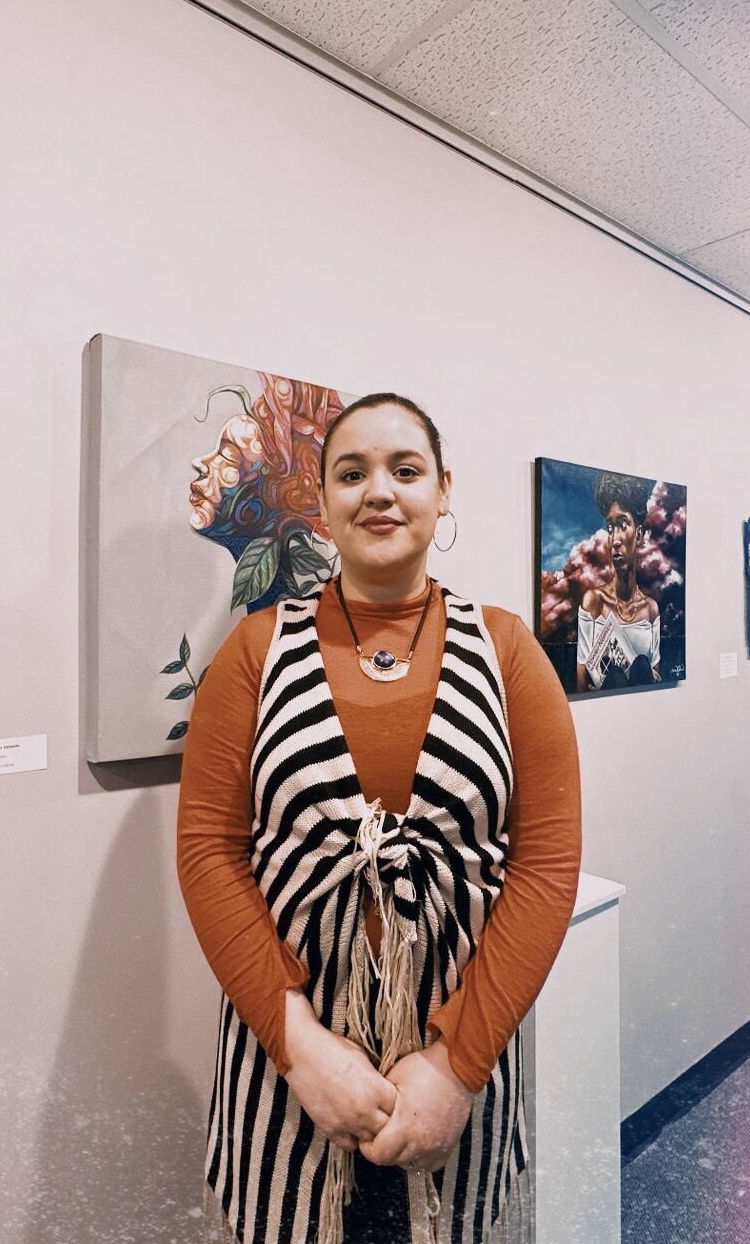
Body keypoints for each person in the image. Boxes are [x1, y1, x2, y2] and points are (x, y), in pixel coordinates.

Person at [177, 393, 582, 1244]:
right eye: (351, 473)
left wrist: (457, 1065)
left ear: (443, 493)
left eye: (406, 470)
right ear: (320, 506)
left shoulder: (510, 652)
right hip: (285, 1077)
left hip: (457, 1077)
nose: (379, 492)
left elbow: (545, 868)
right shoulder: (254, 651)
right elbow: (210, 854)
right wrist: (301, 1050)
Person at [574, 472, 660, 690]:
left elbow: (656, 679)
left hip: (647, 710)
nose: (615, 539)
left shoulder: (650, 610)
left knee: (641, 665)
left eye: (623, 525)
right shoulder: (593, 601)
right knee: (614, 675)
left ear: (638, 535)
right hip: (604, 710)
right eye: (610, 528)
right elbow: (581, 678)